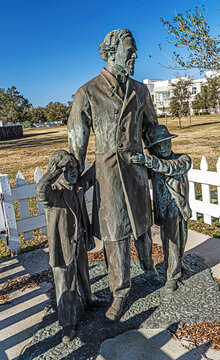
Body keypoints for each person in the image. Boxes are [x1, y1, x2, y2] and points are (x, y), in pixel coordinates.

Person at [67, 29, 159, 321]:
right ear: (110, 54)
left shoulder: (140, 90)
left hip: (137, 170)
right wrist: (71, 178)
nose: (135, 56)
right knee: (115, 233)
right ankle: (120, 293)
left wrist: (163, 160)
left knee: (143, 224)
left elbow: (151, 130)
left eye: (134, 51)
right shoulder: (88, 92)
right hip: (108, 175)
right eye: (129, 51)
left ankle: (150, 267)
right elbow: (76, 143)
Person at [36, 150, 104, 343]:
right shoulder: (52, 194)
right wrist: (54, 172)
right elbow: (40, 188)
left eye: (75, 167)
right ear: (58, 171)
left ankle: (89, 299)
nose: (74, 172)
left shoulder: (77, 187)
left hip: (79, 240)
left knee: (83, 273)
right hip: (63, 247)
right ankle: (68, 324)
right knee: (65, 283)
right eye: (68, 169)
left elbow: (93, 173)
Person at [131, 125, 192, 293]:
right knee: (170, 243)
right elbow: (142, 174)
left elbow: (171, 167)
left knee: (181, 240)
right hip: (166, 211)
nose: (164, 148)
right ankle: (172, 276)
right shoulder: (155, 164)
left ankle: (178, 263)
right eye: (159, 145)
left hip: (180, 207)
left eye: (166, 143)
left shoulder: (183, 159)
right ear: (154, 148)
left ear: (171, 142)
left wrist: (149, 160)